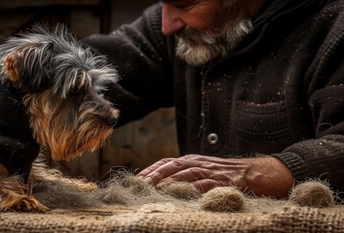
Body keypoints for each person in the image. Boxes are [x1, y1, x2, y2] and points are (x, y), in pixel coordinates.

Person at [81, 0, 344, 199]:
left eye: (185, 5)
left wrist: (263, 173)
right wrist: (43, 74)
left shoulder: (334, 27)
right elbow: (89, 71)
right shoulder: (173, 30)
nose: (167, 25)